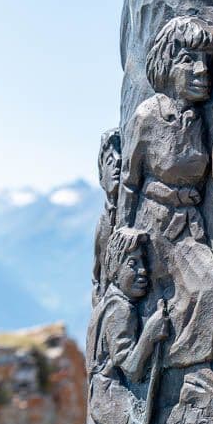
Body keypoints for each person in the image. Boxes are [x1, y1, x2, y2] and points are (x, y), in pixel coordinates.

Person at [118, 16, 213, 369]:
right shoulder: (147, 117)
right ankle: (165, 365)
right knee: (193, 290)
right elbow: (129, 181)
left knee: (210, 287)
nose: (201, 70)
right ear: (167, 64)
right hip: (154, 226)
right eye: (188, 60)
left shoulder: (196, 120)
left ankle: (183, 365)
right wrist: (123, 239)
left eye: (205, 61)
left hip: (187, 224)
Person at [83, 228, 169, 424]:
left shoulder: (107, 301)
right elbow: (131, 369)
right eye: (133, 263)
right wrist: (150, 333)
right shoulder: (120, 309)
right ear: (114, 268)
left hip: (97, 390)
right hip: (107, 390)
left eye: (143, 262)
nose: (143, 271)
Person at [92, 129, 121, 306]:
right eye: (110, 160)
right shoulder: (102, 223)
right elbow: (96, 272)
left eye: (122, 160)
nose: (117, 164)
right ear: (102, 174)